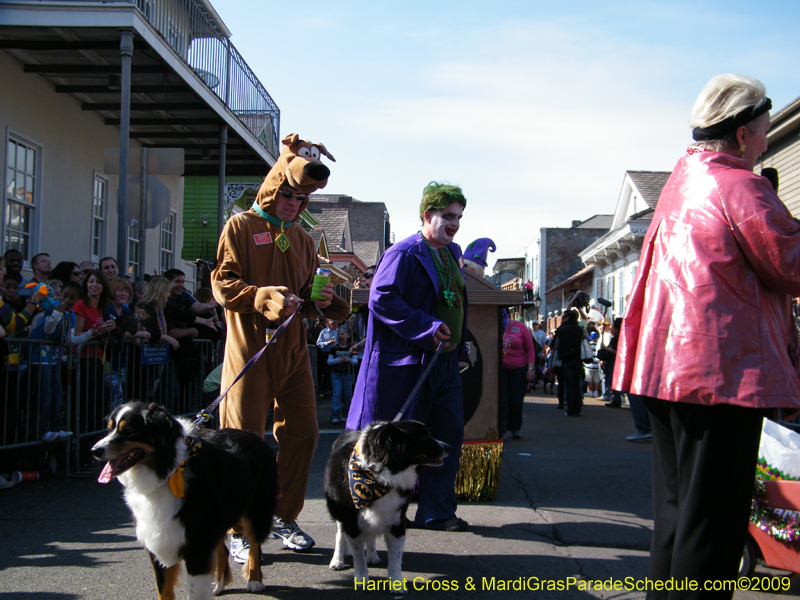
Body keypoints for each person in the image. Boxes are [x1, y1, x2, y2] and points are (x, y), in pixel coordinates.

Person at [614, 74, 800, 598]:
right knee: (714, 526)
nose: (767, 137)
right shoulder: (740, 186)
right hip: (722, 375)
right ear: (743, 133)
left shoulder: (683, 181)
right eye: (765, 127)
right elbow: (790, 266)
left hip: (666, 371)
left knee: (678, 519)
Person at [211, 134, 348, 557]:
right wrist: (261, 297)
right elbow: (222, 284)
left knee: (305, 433)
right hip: (249, 354)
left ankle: (283, 516)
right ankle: (237, 528)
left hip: (293, 354)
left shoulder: (304, 240)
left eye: (300, 197)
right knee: (241, 440)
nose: (293, 202)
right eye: (287, 193)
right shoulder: (240, 226)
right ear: (273, 187)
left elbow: (306, 295)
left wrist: (323, 302)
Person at [347, 181, 469, 532]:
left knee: (447, 436)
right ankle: (377, 516)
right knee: (395, 445)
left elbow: (453, 303)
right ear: (427, 215)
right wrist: (426, 327)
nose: (454, 224)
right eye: (448, 216)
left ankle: (436, 513)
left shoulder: (451, 253)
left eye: (459, 217)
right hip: (410, 363)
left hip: (446, 363)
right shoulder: (404, 252)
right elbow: (381, 298)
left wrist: (460, 347)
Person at [500, 311, 534, 438]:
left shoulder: (520, 327)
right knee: (502, 399)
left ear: (508, 316)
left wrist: (531, 368)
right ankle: (502, 428)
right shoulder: (496, 327)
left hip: (519, 369)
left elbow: (530, 349)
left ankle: (515, 428)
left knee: (516, 399)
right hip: (501, 369)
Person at [553, 308, 584, 417]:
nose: (562, 319)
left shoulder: (561, 330)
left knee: (569, 384)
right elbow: (584, 342)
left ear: (567, 318)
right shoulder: (579, 329)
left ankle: (570, 408)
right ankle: (577, 408)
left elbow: (555, 345)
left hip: (565, 359)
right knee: (577, 385)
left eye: (563, 317)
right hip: (578, 359)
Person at [327, 325, 357, 424]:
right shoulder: (334, 348)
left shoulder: (350, 348)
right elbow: (329, 361)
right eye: (339, 334)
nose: (340, 336)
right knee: (337, 394)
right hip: (336, 374)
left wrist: (349, 360)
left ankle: (346, 414)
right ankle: (335, 415)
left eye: (342, 334)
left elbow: (355, 361)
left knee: (347, 395)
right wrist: (337, 360)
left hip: (347, 375)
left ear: (348, 336)